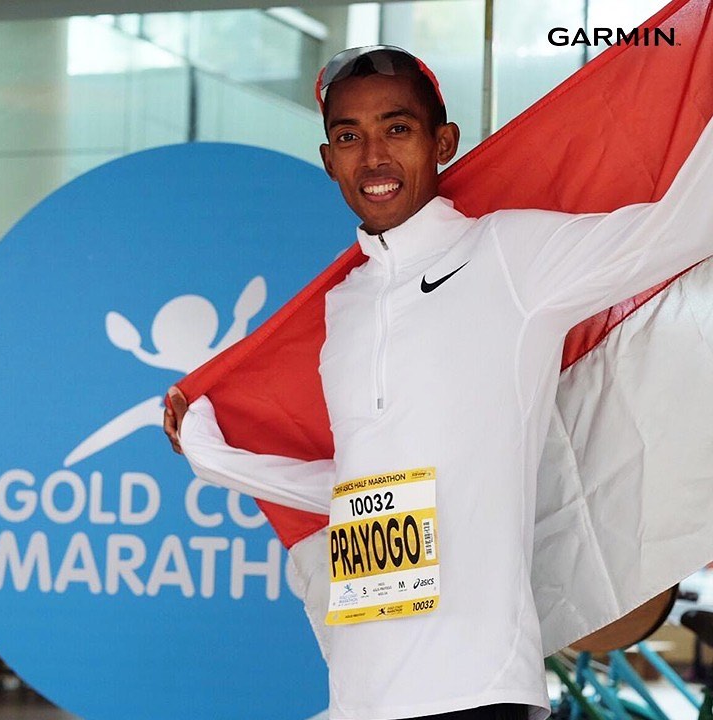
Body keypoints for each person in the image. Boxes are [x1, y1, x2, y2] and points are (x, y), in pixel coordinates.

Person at [164, 45, 713, 720]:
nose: (373, 158)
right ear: (328, 158)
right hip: (360, 694)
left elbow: (675, 230)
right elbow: (362, 489)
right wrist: (216, 459)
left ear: (442, 142)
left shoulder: (508, 257)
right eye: (348, 137)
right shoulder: (346, 306)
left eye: (397, 129)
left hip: (478, 690)